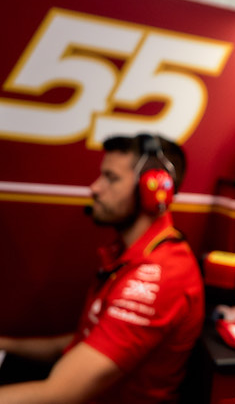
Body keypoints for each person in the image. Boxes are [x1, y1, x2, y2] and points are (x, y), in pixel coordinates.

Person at [0, 134, 204, 403]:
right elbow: (83, 344)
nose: (95, 188)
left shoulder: (158, 276)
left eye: (111, 178)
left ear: (153, 189)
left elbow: (59, 393)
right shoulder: (131, 255)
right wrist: (5, 344)